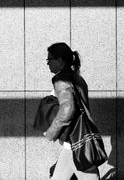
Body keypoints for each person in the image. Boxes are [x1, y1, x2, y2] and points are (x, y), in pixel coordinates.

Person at [44, 42, 100, 180]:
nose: (47, 63)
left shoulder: (62, 80)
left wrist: (52, 132)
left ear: (60, 60)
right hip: (77, 139)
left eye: (49, 59)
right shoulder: (77, 78)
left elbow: (67, 110)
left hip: (75, 141)